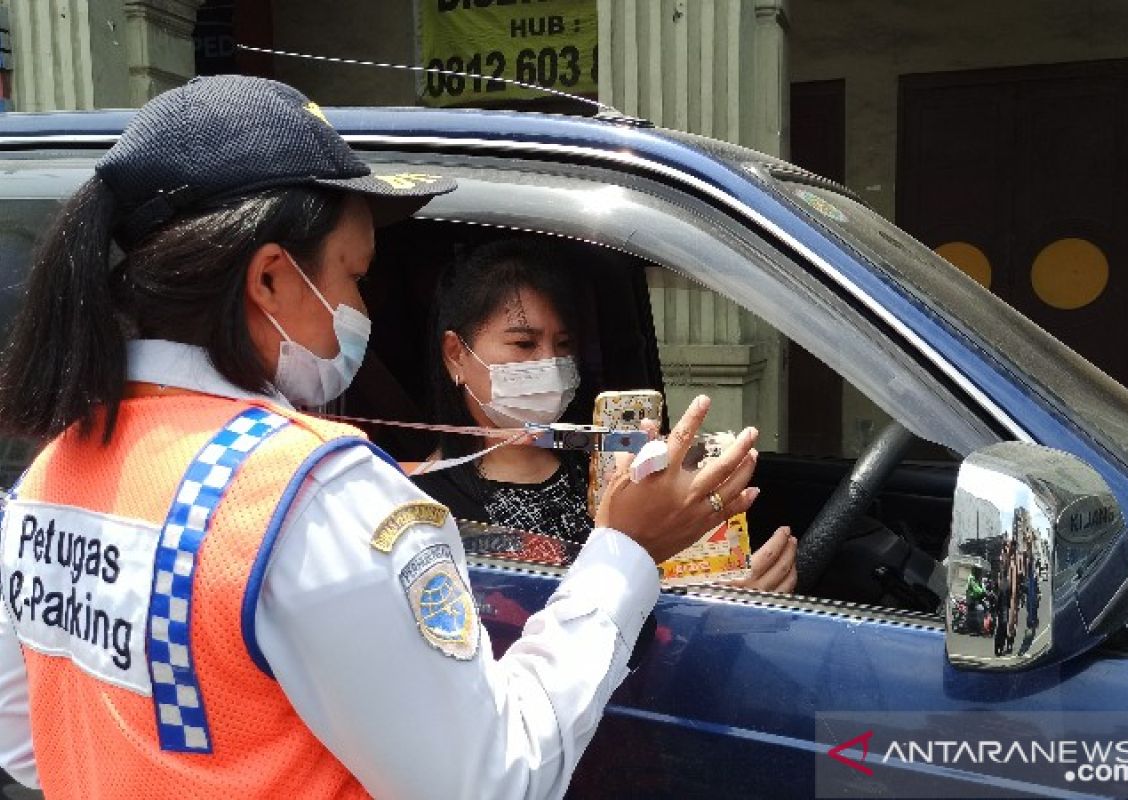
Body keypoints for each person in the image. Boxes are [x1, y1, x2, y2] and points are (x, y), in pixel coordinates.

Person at [0, 76, 761, 799]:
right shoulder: (311, 498)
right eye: (352, 276)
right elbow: (493, 777)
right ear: (270, 280)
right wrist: (624, 554)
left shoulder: (52, 476)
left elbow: (31, 747)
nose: (360, 307)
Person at [411, 239, 797, 593]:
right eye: (524, 343)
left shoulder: (608, 459)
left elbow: (681, 572)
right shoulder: (431, 509)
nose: (550, 363)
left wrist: (729, 590)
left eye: (563, 345)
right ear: (456, 354)